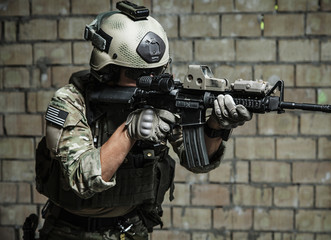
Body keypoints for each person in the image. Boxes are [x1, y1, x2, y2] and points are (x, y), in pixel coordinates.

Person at [35, 3, 252, 240]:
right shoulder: (71, 101)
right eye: (138, 75)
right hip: (70, 231)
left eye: (158, 72)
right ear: (107, 70)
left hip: (130, 230)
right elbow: (82, 180)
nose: (151, 81)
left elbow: (196, 161)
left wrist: (216, 127)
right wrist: (129, 133)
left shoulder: (162, 98)